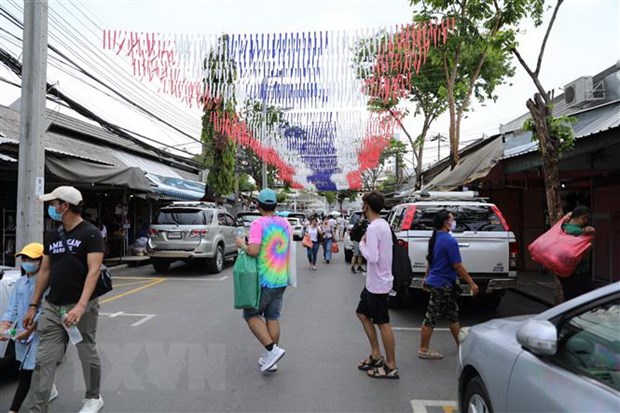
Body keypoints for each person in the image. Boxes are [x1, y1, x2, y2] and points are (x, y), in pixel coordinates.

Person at [22, 186, 105, 413]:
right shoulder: (52, 236)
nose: (51, 208)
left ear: (64, 206)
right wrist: (33, 305)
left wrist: (80, 306)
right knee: (43, 359)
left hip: (81, 307)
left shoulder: (90, 234)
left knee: (86, 351)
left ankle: (93, 397)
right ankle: (37, 408)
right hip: (52, 305)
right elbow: (45, 271)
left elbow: (94, 271)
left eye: (53, 203)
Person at [235, 188, 291, 373]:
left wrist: (241, 244)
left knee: (250, 315)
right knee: (272, 317)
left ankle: (272, 351)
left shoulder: (258, 224)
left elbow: (253, 251)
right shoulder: (285, 223)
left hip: (264, 280)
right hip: (281, 278)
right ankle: (271, 359)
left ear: (258, 205)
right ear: (275, 205)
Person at [1, 243, 58, 413]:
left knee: (26, 373)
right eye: (24, 258)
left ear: (42, 261)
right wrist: (5, 325)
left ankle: (13, 409)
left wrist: (30, 329)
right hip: (23, 336)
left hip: (40, 336)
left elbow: (45, 311)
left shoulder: (47, 284)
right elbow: (12, 308)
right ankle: (50, 388)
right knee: (33, 370)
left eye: (30, 259)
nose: (26, 262)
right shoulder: (20, 283)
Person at [418, 210, 479, 360]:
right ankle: (423, 349)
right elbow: (457, 265)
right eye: (452, 219)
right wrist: (471, 283)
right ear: (445, 222)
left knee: (452, 315)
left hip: (441, 283)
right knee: (432, 316)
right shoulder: (449, 241)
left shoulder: (435, 238)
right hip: (442, 284)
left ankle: (461, 346)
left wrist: (426, 279)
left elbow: (430, 261)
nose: (454, 221)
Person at [356, 191, 399, 379]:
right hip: (374, 282)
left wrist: (362, 245)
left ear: (366, 206)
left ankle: (391, 366)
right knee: (362, 313)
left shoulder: (374, 228)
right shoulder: (383, 225)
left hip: (378, 284)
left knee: (383, 324)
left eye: (363, 203)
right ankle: (376, 355)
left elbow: (372, 257)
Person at [560, 205, 596, 301]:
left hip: (564, 273)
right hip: (579, 273)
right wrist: (591, 236)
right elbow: (585, 253)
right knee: (592, 300)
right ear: (583, 218)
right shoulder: (579, 232)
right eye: (587, 219)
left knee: (569, 301)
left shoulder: (563, 228)